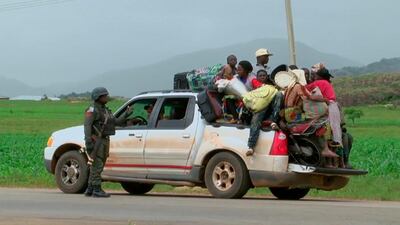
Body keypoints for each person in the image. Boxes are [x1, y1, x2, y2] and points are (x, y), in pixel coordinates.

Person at [84, 87, 132, 197]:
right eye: (104, 95)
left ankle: (90, 188)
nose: (106, 97)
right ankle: (96, 189)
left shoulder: (105, 110)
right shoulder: (92, 110)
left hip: (104, 140)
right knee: (98, 165)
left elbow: (116, 121)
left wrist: (126, 114)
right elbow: (87, 127)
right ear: (98, 97)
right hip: (96, 141)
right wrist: (89, 143)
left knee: (97, 165)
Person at [246, 70, 283, 156]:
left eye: (264, 75)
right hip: (259, 109)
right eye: (260, 76)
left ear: (267, 77)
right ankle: (251, 147)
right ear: (257, 77)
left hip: (271, 110)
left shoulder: (271, 86)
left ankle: (273, 121)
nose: (262, 77)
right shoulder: (255, 87)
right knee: (255, 120)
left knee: (279, 94)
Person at [306, 65, 343, 148]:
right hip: (333, 105)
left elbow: (306, 89)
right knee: (334, 125)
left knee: (325, 124)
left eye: (314, 75)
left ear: (319, 76)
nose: (313, 77)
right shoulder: (327, 82)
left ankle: (327, 143)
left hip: (329, 105)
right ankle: (335, 141)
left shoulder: (319, 82)